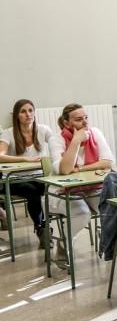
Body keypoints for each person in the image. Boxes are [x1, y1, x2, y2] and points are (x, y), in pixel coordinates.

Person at [47, 103, 114, 269]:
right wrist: (76, 141)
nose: (85, 123)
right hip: (61, 191)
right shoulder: (57, 140)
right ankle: (63, 243)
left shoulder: (95, 133)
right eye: (78, 120)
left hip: (92, 187)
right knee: (82, 213)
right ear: (66, 123)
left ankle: (107, 241)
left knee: (111, 209)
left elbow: (107, 162)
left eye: (86, 118)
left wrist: (81, 168)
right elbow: (64, 169)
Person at [0, 99, 52, 246]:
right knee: (32, 192)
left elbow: (57, 146)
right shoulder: (8, 133)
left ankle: (48, 226)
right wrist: (24, 159)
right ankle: (42, 228)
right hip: (14, 179)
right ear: (17, 115)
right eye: (23, 111)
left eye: (30, 110)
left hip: (37, 176)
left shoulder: (43, 130)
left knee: (50, 188)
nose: (28, 114)